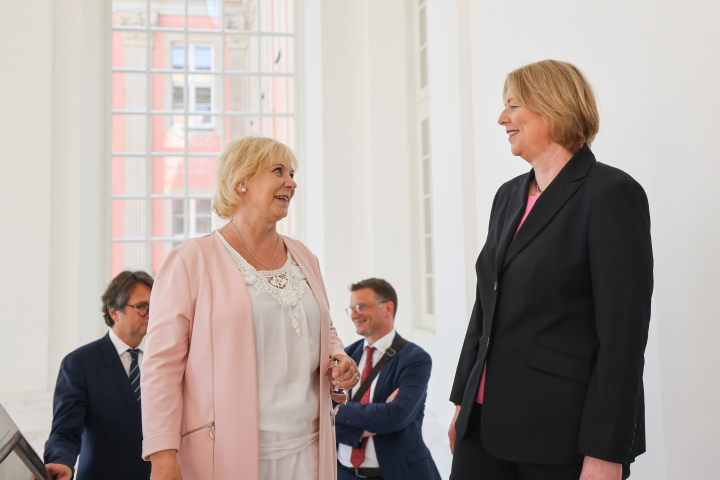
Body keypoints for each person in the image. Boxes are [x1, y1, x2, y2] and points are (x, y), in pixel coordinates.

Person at [448, 60, 653, 480]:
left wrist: (606, 451)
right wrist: (462, 403)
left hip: (561, 432)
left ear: (552, 107)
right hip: (483, 422)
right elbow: (485, 306)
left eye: (512, 105)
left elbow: (623, 337)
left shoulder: (611, 194)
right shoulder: (508, 196)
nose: (502, 118)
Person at [141, 136, 360, 480]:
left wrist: (339, 359)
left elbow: (324, 328)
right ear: (240, 182)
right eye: (278, 171)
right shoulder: (190, 260)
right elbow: (161, 365)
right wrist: (163, 455)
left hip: (310, 451)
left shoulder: (305, 257)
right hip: (224, 455)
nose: (291, 182)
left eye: (292, 173)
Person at [42, 270, 154, 480]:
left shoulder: (161, 359)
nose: (150, 313)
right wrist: (60, 461)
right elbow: (65, 430)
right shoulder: (80, 363)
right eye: (141, 307)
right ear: (114, 312)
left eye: (154, 306)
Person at [335, 278, 441, 480]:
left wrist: (339, 411)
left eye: (361, 306)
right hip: (344, 473)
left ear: (388, 308)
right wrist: (369, 425)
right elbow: (321, 417)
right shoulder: (346, 356)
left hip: (396, 474)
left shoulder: (415, 359)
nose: (354, 315)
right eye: (351, 309)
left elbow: (396, 416)